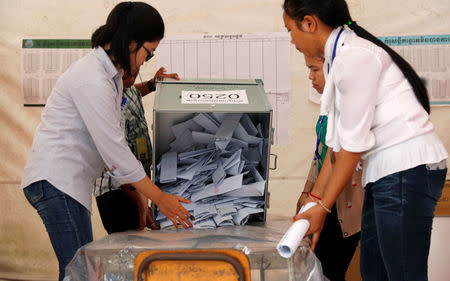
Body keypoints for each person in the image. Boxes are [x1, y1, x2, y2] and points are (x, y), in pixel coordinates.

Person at [20, 3, 192, 281]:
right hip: (56, 181)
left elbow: (113, 152)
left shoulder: (110, 79)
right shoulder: (92, 78)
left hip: (67, 184)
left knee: (82, 270)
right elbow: (115, 152)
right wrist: (161, 198)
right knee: (80, 271)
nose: (145, 62)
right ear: (132, 42)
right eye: (148, 53)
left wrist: (140, 197)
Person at [282, 0, 448, 280]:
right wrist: (314, 203)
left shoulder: (355, 56)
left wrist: (322, 208)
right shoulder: (340, 58)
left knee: (403, 274)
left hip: (406, 170)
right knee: (373, 272)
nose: (291, 40)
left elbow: (352, 148)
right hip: (386, 175)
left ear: (309, 23)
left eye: (290, 30)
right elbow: (335, 151)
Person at [298, 55, 363, 281]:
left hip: (341, 205)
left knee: (330, 271)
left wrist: (317, 199)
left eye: (315, 70)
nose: (310, 76)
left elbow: (337, 159)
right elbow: (320, 155)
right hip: (323, 201)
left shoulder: (349, 107)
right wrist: (306, 192)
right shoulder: (327, 107)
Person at [94, 67, 179, 234]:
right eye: (127, 72)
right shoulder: (107, 96)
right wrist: (141, 203)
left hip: (136, 186)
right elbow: (117, 162)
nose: (131, 77)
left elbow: (131, 92)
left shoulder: (126, 86)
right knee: (127, 248)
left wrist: (151, 85)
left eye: (135, 71)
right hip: (118, 191)